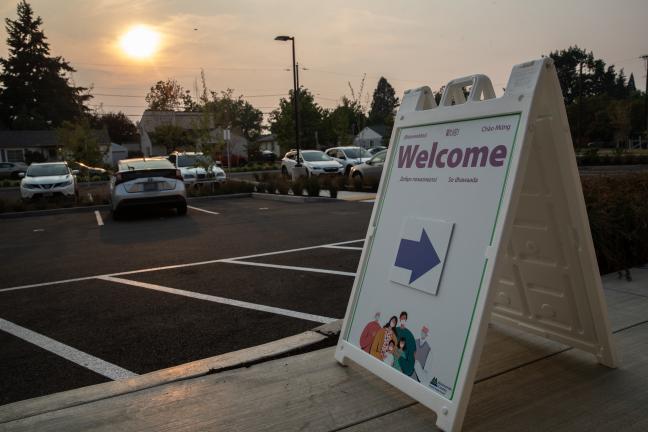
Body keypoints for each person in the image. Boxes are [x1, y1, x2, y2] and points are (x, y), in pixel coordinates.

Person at [394, 311, 416, 376]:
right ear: (400, 318)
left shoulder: (409, 335)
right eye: (402, 318)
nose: (403, 319)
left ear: (406, 320)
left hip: (402, 360)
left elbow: (413, 352)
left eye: (405, 318)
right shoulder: (395, 330)